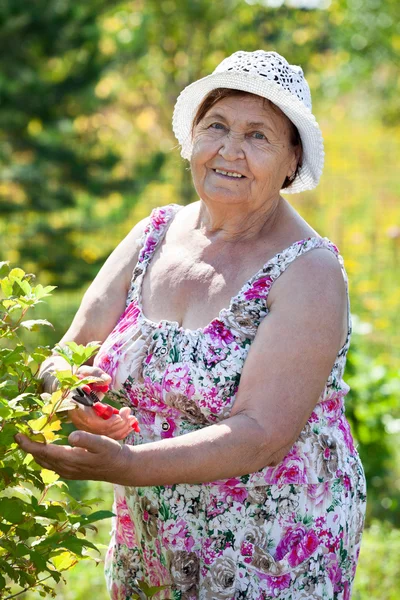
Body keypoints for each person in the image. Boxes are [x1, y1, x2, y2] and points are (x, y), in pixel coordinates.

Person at [16, 50, 367, 600]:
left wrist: (127, 464)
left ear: (291, 160)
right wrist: (69, 397)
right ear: (192, 140)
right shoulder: (153, 233)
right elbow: (71, 352)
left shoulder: (308, 271)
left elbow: (260, 436)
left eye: (258, 136)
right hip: (152, 536)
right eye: (217, 127)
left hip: (269, 545)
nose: (229, 150)